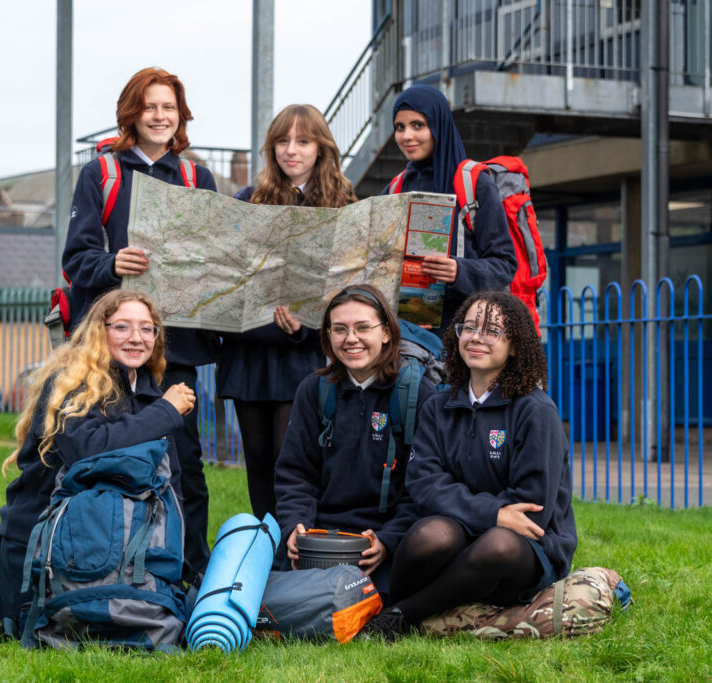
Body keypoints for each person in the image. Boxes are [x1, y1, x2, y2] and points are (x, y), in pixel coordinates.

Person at [62, 67, 215, 584]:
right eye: (150, 106)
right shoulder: (101, 173)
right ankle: (102, 561)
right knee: (110, 449)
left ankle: (189, 573)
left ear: (180, 116)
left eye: (169, 107)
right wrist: (113, 265)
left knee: (186, 466)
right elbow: (76, 260)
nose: (159, 116)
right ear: (132, 112)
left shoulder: (199, 179)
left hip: (179, 350)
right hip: (115, 347)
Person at [362, 290, 576, 640]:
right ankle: (399, 608)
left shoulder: (535, 411)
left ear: (516, 345)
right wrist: (492, 513)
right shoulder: (438, 405)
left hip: (524, 551)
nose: (477, 337)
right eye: (469, 327)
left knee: (498, 543)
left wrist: (492, 520)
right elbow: (424, 483)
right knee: (431, 534)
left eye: (492, 330)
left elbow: (531, 512)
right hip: (459, 536)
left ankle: (401, 615)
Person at [0, 290, 196, 639]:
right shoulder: (72, 383)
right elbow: (88, 448)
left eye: (148, 329)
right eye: (122, 327)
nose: (137, 338)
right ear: (98, 330)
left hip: (115, 547)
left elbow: (170, 487)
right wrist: (164, 413)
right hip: (42, 550)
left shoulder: (146, 390)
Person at [220, 104, 357, 518]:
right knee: (258, 463)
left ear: (322, 148)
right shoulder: (248, 201)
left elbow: (352, 288)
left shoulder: (345, 206)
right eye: (282, 141)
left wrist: (306, 325)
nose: (290, 150)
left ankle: (293, 554)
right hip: (251, 355)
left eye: (302, 141)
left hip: (306, 355)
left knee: (292, 460)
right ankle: (266, 558)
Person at [274, 284, 435, 595]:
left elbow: (424, 485)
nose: (350, 339)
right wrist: (294, 528)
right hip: (321, 539)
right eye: (339, 329)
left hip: (387, 540)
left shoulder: (417, 394)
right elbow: (295, 473)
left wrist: (388, 540)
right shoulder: (314, 390)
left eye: (363, 327)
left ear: (387, 332)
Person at [383, 84, 518, 335]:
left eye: (418, 125)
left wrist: (459, 271)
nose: (406, 136)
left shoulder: (473, 183)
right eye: (399, 127)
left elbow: (504, 265)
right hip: (405, 337)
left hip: (462, 338)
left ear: (439, 126)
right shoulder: (395, 188)